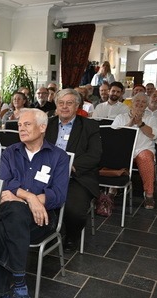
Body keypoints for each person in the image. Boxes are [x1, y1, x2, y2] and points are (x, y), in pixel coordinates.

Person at [0, 108, 69, 298]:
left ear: (42, 128)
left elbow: (58, 194)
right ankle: (20, 288)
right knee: (14, 214)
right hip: (15, 215)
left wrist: (26, 199)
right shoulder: (10, 152)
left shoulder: (58, 156)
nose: (21, 129)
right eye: (19, 125)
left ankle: (3, 295)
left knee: (0, 230)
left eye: (27, 124)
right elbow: (4, 182)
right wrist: (30, 198)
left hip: (42, 220)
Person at [45, 89, 101, 252]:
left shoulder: (90, 126)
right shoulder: (47, 124)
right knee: (35, 198)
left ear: (77, 106)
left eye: (69, 103)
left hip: (77, 176)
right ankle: (46, 232)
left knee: (74, 209)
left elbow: (94, 155)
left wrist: (71, 166)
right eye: (61, 103)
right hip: (48, 174)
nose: (64, 107)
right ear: (56, 105)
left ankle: (72, 236)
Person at [112, 93, 157, 209]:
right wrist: (130, 124)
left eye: (144, 102)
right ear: (132, 102)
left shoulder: (150, 118)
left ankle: (149, 194)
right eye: (137, 101)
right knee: (113, 156)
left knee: (146, 158)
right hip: (124, 149)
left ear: (147, 105)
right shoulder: (121, 117)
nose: (140, 104)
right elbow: (113, 136)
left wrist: (140, 124)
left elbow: (154, 135)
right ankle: (112, 190)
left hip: (143, 148)